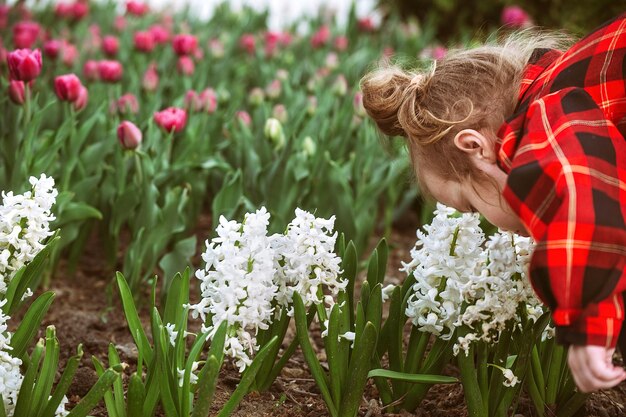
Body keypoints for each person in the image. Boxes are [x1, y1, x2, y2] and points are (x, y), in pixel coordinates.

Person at [361, 14, 626, 393]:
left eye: (469, 205)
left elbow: (585, 200)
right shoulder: (555, 85)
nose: (490, 224)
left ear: (476, 147)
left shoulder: (547, 118)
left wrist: (587, 323)